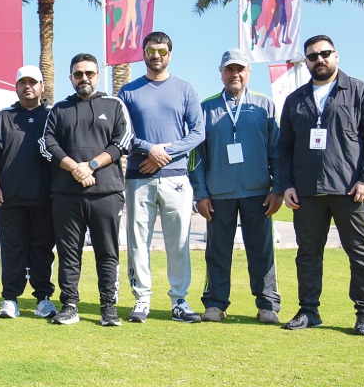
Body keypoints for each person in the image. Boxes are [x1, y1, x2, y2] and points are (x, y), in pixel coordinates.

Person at [278, 35, 364, 335]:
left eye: (325, 53)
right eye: (312, 56)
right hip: (307, 192)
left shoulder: (361, 92)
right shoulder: (295, 100)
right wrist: (286, 184)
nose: (319, 59)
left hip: (350, 190)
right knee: (308, 253)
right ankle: (308, 311)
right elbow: (284, 146)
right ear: (306, 61)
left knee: (360, 251)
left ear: (336, 56)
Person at [188, 49, 283, 324]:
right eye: (229, 69)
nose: (235, 74)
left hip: (258, 193)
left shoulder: (265, 105)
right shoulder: (206, 108)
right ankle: (216, 303)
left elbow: (276, 150)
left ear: (249, 72)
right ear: (221, 73)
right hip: (218, 195)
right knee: (217, 251)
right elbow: (197, 155)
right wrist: (201, 193)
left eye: (240, 69)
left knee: (262, 251)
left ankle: (268, 305)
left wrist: (277, 189)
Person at [118, 31, 205, 323]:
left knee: (178, 240)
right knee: (137, 240)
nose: (156, 55)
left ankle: (179, 300)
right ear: (143, 53)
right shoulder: (128, 92)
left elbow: (197, 132)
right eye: (151, 50)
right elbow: (122, 134)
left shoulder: (185, 89)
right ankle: (142, 300)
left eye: (162, 51)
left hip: (176, 178)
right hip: (138, 177)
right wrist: (148, 150)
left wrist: (164, 155)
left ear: (170, 54)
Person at [40, 54, 131, 327]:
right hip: (66, 195)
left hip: (106, 192)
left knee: (107, 251)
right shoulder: (59, 109)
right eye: (78, 74)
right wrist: (74, 168)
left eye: (89, 73)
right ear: (71, 78)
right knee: (69, 252)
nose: (84, 78)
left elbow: (122, 141)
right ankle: (69, 305)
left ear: (97, 75)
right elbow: (47, 144)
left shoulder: (114, 105)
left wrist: (90, 166)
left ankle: (108, 307)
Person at [0, 65, 55, 319]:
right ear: (16, 87)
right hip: (10, 198)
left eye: (33, 82)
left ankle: (43, 299)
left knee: (42, 250)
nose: (28, 86)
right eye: (22, 82)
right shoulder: (2, 117)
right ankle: (9, 299)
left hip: (45, 198)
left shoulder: (53, 115)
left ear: (42, 86)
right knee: (12, 249)